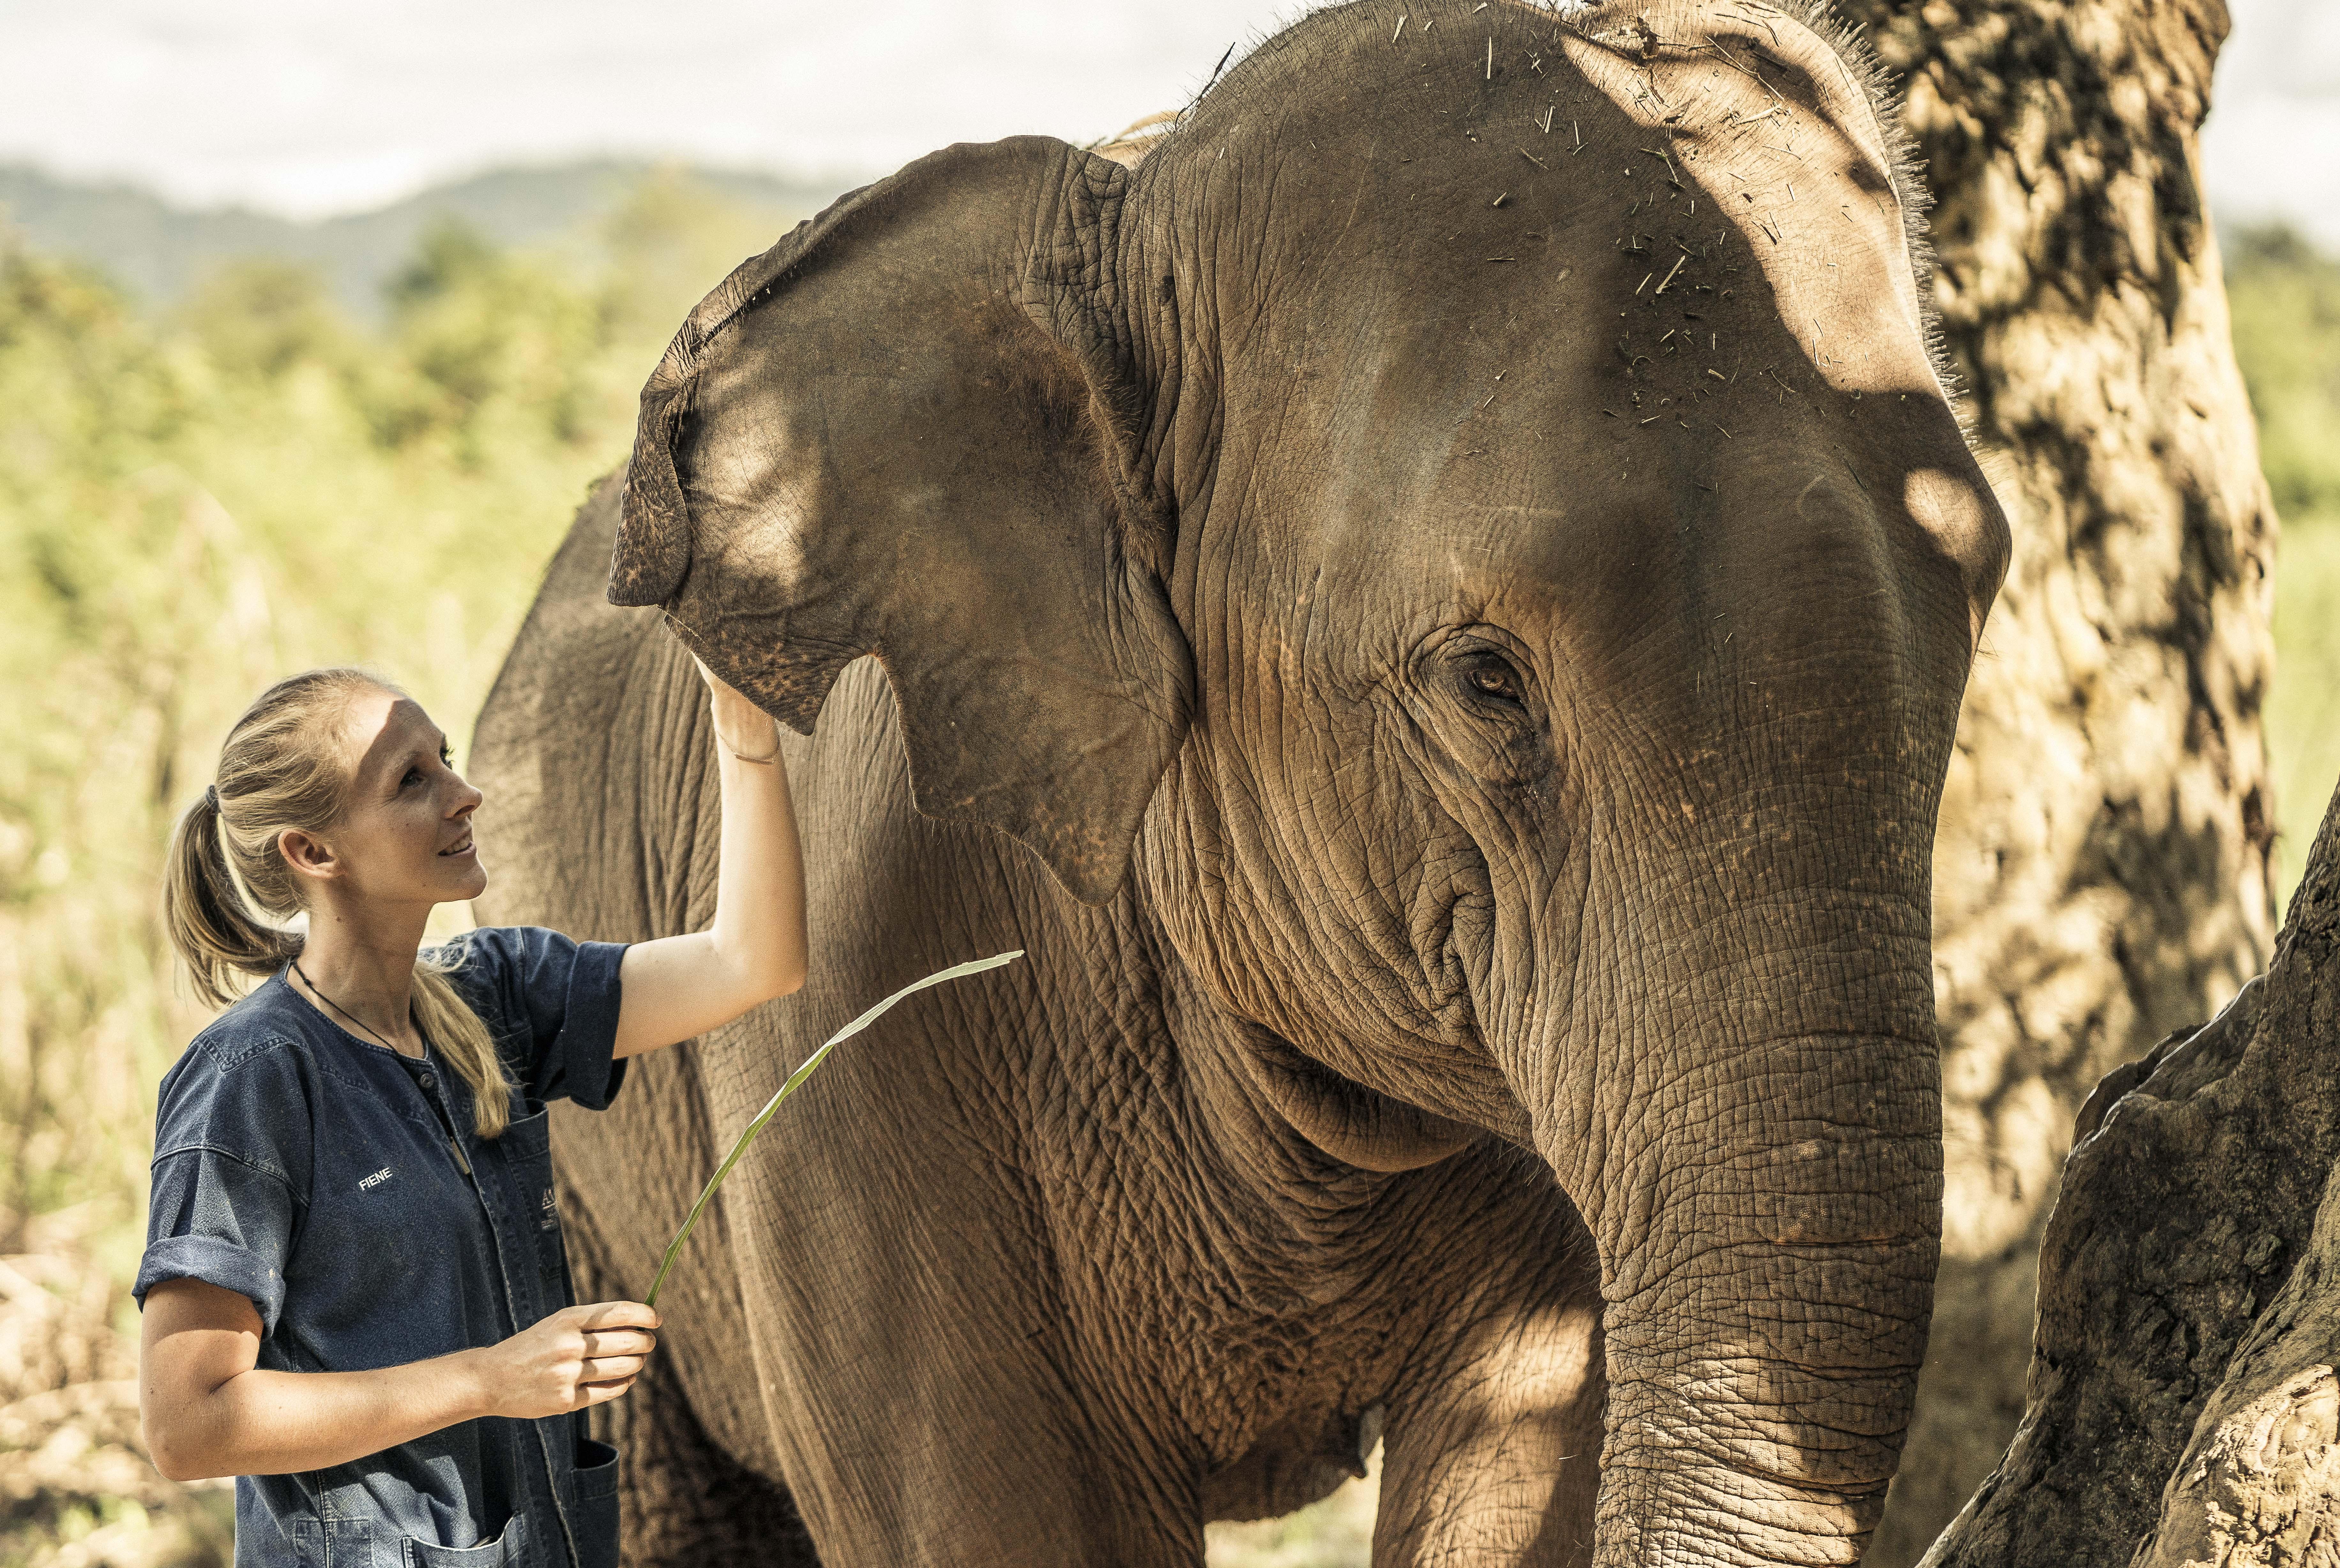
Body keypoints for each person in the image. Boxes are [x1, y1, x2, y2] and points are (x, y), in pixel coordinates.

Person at [135, 659, 806, 1568]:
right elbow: (191, 1427)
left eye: (445, 760)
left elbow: (753, 965)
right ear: (313, 852)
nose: (467, 793)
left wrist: (746, 736)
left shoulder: (495, 998)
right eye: (414, 780)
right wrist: (493, 1380)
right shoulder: (251, 1079)